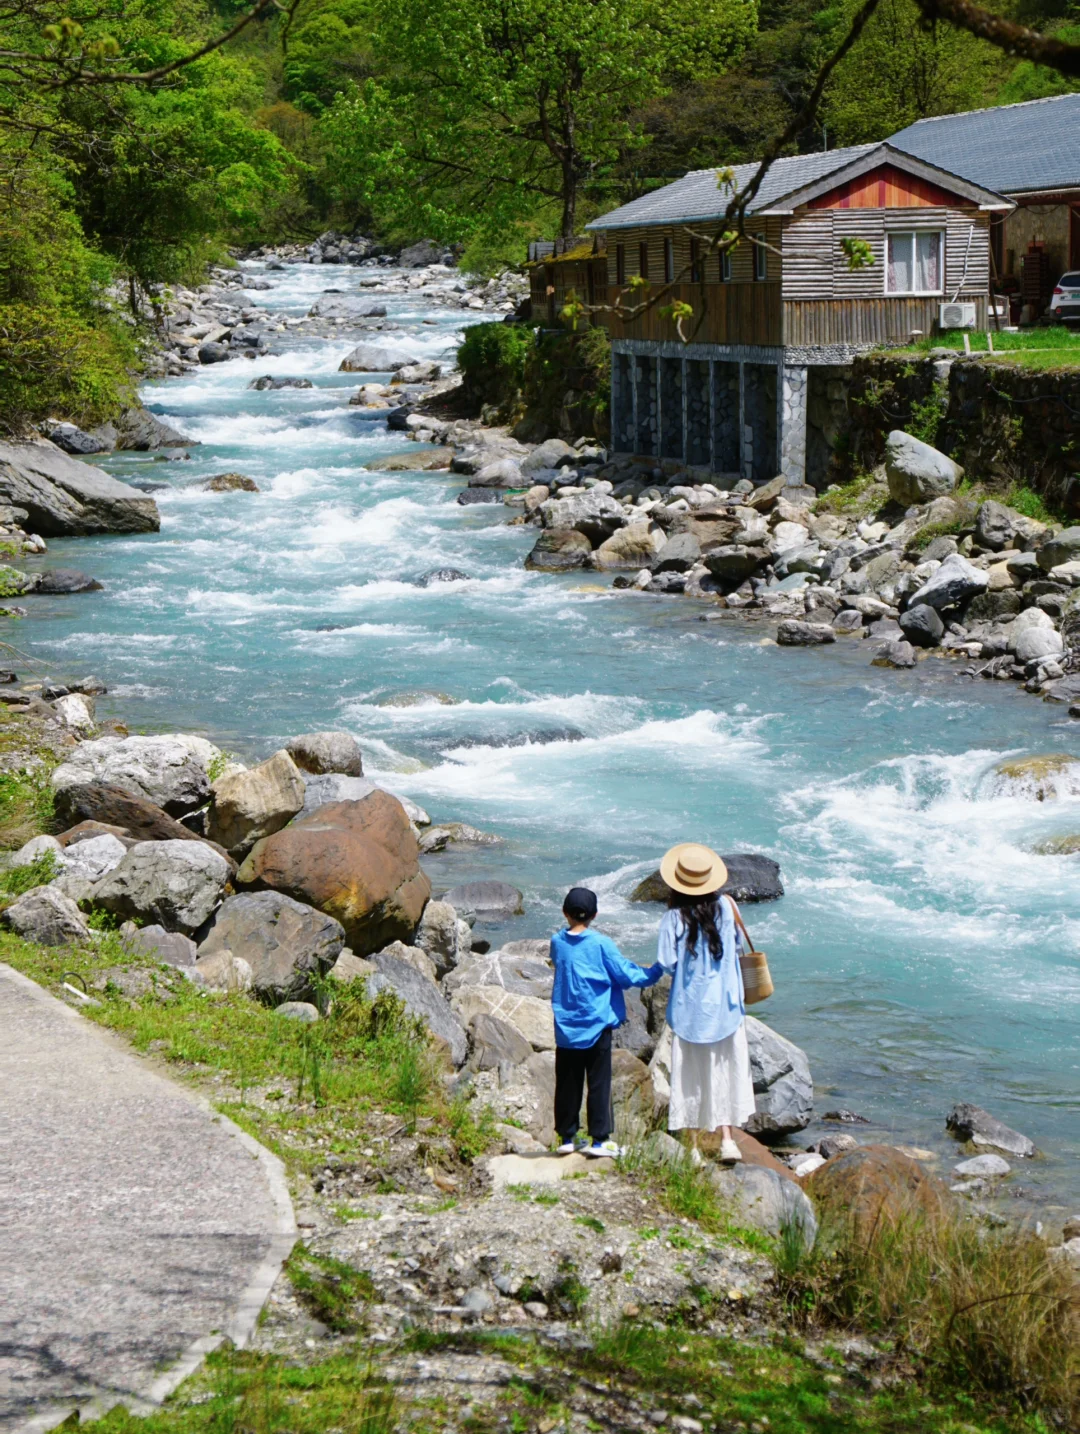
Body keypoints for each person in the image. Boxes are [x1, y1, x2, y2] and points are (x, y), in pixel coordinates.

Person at [656, 843, 755, 1164]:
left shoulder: (673, 917)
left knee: (688, 1076)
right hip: (725, 1007)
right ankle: (728, 1141)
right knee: (724, 1070)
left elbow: (667, 962)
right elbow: (738, 947)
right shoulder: (727, 906)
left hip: (690, 1010)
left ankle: (695, 1148)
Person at [550, 885, 663, 1158]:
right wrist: (657, 970)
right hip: (597, 1025)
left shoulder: (557, 942)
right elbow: (627, 975)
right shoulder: (601, 944)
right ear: (595, 915)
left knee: (567, 1081)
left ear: (565, 913)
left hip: (566, 1025)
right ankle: (600, 1140)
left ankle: (567, 1136)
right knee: (599, 1082)